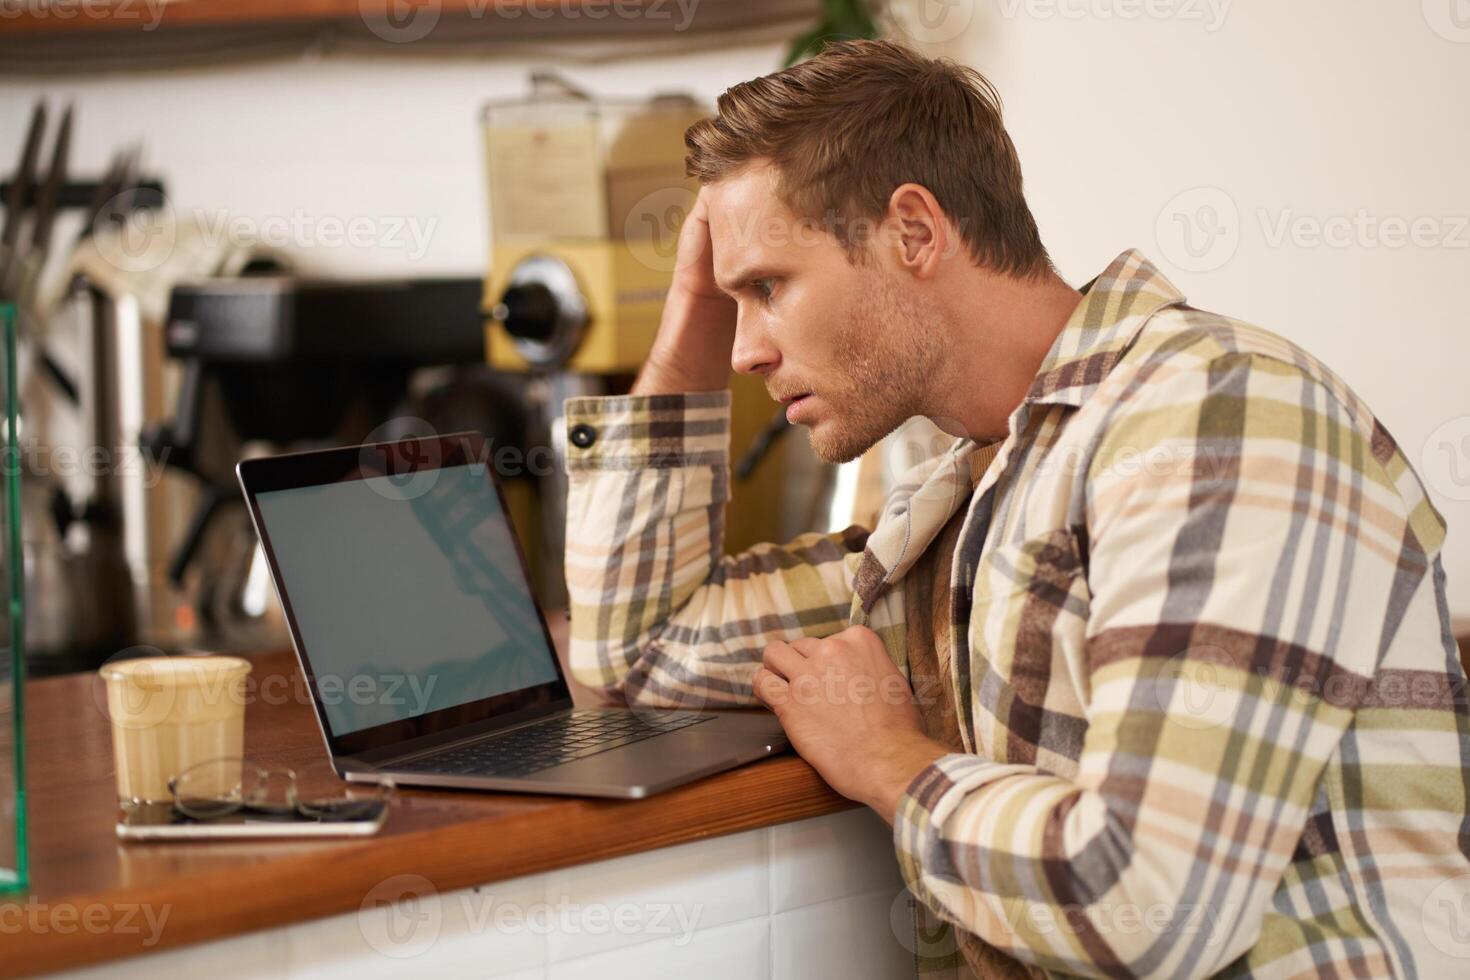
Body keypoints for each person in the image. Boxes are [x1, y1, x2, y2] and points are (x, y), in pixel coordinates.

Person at [562, 38, 1470, 978]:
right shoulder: (969, 493)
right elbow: (641, 649)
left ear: (912, 232)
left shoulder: (1220, 420)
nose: (747, 349)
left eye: (767, 288)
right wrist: (690, 321)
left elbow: (1150, 907)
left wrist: (887, 762)